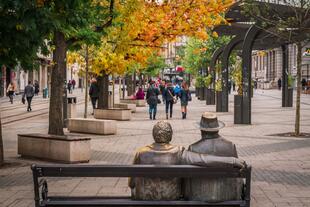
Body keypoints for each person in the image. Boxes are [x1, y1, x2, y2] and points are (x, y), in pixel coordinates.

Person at [129, 121, 246, 200]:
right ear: (170, 135)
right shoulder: (179, 152)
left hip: (143, 197)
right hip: (171, 197)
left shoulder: (141, 152)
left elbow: (131, 183)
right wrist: (233, 161)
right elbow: (205, 160)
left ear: (153, 134)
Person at [184, 112, 243, 202]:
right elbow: (238, 174)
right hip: (227, 196)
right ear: (217, 129)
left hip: (200, 197)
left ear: (201, 130)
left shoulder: (193, 148)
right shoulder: (230, 146)